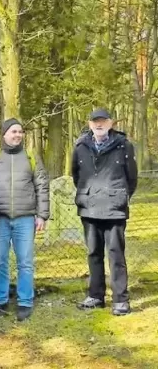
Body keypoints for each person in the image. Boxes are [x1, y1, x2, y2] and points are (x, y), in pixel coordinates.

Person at [0, 118, 49, 321]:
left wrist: (42, 214)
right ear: (4, 134)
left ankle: (25, 301)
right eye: (13, 131)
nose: (17, 135)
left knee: (25, 262)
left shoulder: (31, 157)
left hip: (25, 218)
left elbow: (42, 186)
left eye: (20, 131)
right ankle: (0, 299)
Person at [72, 108, 138, 316]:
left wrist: (118, 195)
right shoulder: (80, 146)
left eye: (103, 121)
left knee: (116, 254)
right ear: (89, 124)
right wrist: (88, 193)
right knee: (93, 253)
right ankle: (95, 296)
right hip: (89, 207)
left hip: (114, 208)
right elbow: (76, 175)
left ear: (111, 123)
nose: (99, 125)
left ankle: (120, 299)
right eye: (95, 121)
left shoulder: (123, 145)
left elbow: (132, 178)